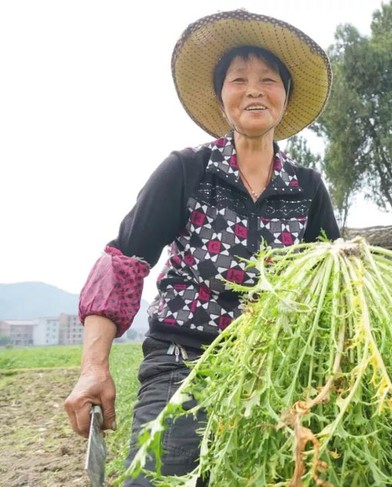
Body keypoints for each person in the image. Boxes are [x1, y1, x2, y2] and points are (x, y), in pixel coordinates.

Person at [64, 9, 340, 485]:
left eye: (269, 79)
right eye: (239, 79)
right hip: (182, 368)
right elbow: (124, 263)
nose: (254, 89)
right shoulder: (187, 171)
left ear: (285, 96)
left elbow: (335, 286)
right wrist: (94, 367)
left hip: (275, 380)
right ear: (222, 97)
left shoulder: (308, 188)